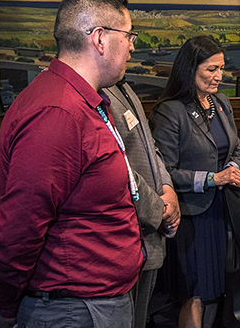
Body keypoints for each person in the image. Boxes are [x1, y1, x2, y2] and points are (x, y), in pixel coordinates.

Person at [0, 0, 144, 327]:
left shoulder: (81, 101)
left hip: (91, 304)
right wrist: (9, 304)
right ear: (100, 39)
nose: (133, 46)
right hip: (73, 311)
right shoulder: (58, 112)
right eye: (129, 35)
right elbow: (19, 228)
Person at [150, 35, 240, 328]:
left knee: (216, 291)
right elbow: (164, 171)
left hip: (222, 211)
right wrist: (214, 179)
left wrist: (232, 166)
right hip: (191, 216)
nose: (219, 76)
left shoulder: (222, 103)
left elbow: (236, 149)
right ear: (191, 69)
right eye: (211, 69)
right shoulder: (171, 110)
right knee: (195, 295)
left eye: (221, 68)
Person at [103, 80, 181, 328]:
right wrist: (159, 211)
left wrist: (167, 188)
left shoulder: (125, 89)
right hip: (128, 235)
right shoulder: (97, 93)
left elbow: (150, 147)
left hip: (149, 236)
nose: (133, 46)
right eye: (128, 38)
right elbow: (120, 169)